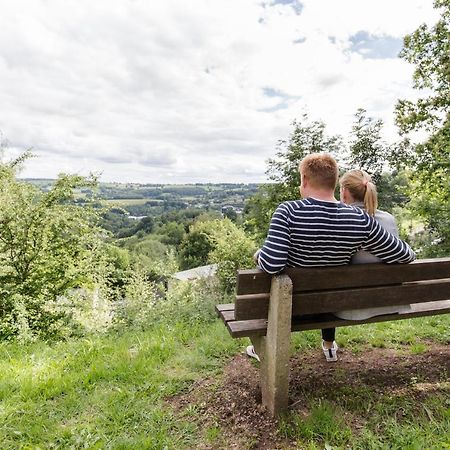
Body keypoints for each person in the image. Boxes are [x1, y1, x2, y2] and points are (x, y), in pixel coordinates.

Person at [249, 153, 415, 363]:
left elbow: (272, 264)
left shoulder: (287, 211)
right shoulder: (360, 219)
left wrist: (258, 255)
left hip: (292, 310)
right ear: (335, 182)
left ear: (304, 180)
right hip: (332, 307)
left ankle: (260, 347)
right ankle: (328, 343)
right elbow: (404, 255)